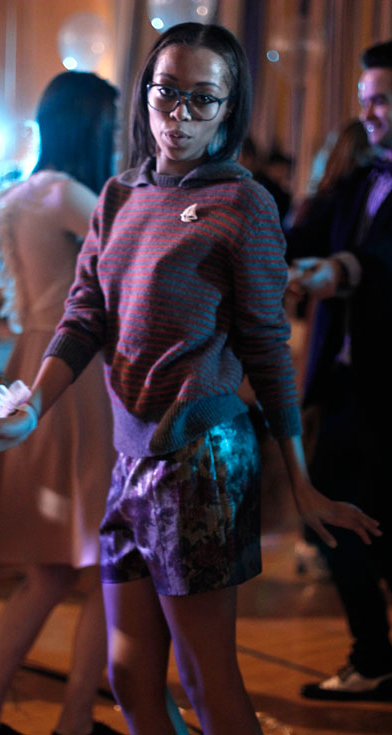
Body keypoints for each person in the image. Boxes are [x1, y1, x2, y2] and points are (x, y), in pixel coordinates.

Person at [0, 24, 380, 735]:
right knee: (129, 677)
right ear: (144, 93)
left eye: (203, 99)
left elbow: (267, 350)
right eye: (167, 92)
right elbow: (84, 316)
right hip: (128, 455)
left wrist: (299, 478)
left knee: (206, 679)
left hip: (201, 459)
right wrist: (31, 408)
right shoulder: (117, 194)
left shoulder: (242, 203)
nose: (180, 114)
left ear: (228, 108)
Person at [0, 72, 120, 735]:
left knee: (48, 573)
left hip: (33, 364)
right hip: (77, 376)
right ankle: (75, 721)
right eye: (111, 122)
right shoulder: (67, 193)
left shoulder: (22, 192)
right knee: (107, 565)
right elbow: (135, 258)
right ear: (91, 125)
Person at [286, 39, 392, 701]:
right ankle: (374, 657)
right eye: (365, 100)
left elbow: (377, 258)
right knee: (329, 514)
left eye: (381, 100)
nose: (368, 113)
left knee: (355, 519)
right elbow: (304, 235)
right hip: (350, 384)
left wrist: (342, 270)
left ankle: (375, 658)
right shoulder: (361, 177)